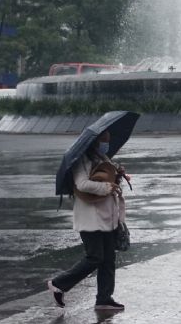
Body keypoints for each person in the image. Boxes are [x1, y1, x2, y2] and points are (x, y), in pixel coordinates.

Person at [47, 130, 127, 310]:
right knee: (95, 257)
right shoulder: (81, 160)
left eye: (108, 138)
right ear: (95, 141)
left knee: (108, 259)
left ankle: (104, 299)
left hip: (107, 216)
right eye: (104, 139)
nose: (107, 142)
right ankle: (59, 284)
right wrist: (107, 186)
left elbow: (107, 177)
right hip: (90, 218)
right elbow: (82, 184)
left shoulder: (103, 156)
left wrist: (118, 176)